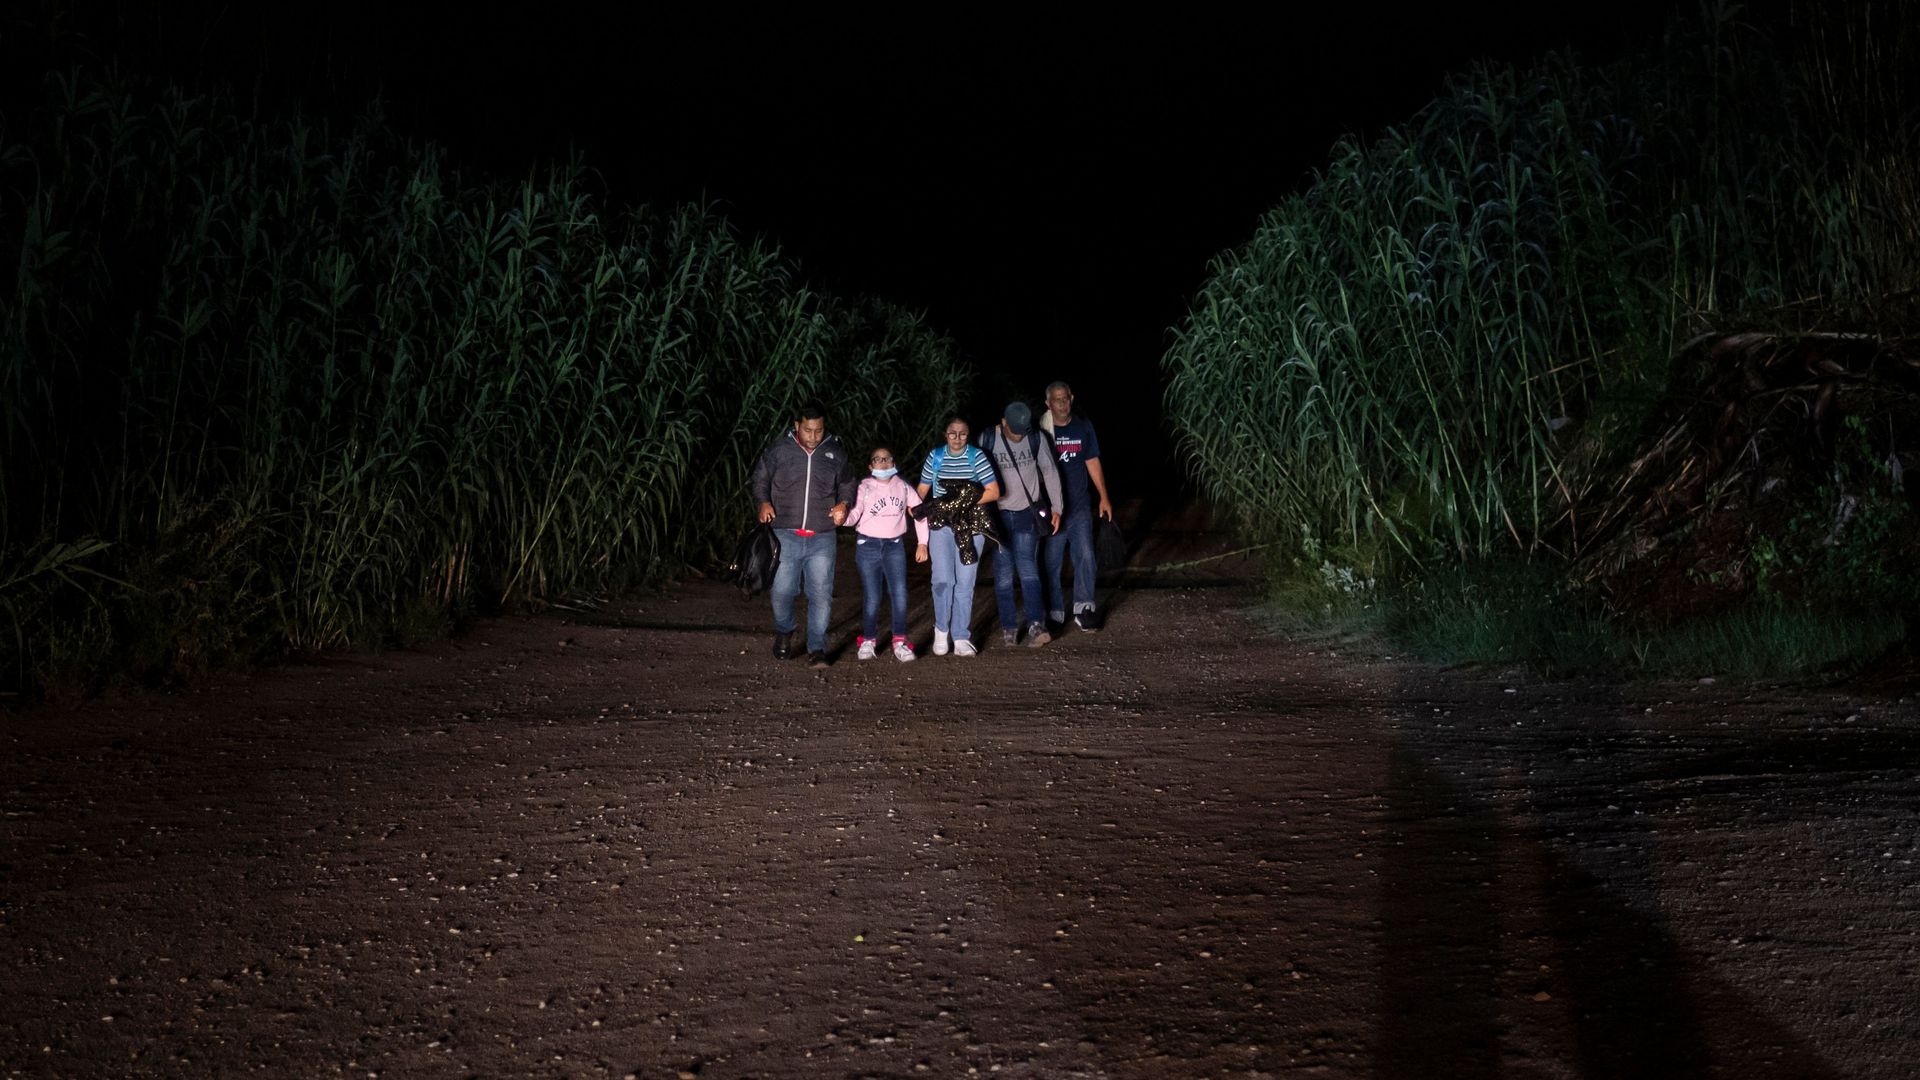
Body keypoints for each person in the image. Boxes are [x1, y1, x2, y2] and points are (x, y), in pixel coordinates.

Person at [749, 402, 856, 667]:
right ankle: (785, 630)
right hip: (785, 533)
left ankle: (817, 648)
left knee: (820, 594)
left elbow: (847, 483)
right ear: (797, 426)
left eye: (818, 431)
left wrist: (844, 503)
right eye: (808, 430)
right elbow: (760, 478)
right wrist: (763, 502)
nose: (813, 437)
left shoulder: (835, 451)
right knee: (782, 591)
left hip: (822, 535)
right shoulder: (779, 450)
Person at [979, 400, 1063, 647]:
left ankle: (1036, 625)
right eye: (1013, 431)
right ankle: (1009, 627)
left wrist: (1057, 507)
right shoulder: (987, 439)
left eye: (1021, 432)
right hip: (999, 516)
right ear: (1003, 422)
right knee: (1004, 573)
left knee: (1028, 569)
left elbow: (1049, 471)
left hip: (1028, 512)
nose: (1018, 437)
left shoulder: (1035, 437)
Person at [915, 417, 1000, 656]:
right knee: (942, 580)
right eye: (953, 433)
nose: (957, 438)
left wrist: (960, 503)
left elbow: (994, 491)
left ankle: (961, 635)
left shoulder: (977, 456)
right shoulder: (936, 456)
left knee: (965, 582)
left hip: (972, 526)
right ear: (945, 434)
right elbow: (921, 492)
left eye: (962, 434)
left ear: (968, 435)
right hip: (941, 526)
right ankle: (941, 630)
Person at [843, 445, 929, 661]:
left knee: (899, 594)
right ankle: (869, 640)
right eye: (877, 459)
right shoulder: (865, 486)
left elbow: (920, 514)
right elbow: (855, 513)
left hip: (894, 546)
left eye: (887, 459)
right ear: (870, 465)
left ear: (893, 463)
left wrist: (923, 543)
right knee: (872, 596)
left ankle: (899, 641)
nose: (882, 463)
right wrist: (842, 518)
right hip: (868, 545)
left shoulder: (903, 486)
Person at [1040, 381, 1112, 631]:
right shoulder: (1042, 430)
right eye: (1056, 400)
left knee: (1086, 556)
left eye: (1065, 398)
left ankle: (1084, 607)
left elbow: (1092, 461)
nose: (1062, 403)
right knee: (1051, 561)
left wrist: (1104, 496)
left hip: (1080, 506)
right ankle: (1055, 611)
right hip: (1053, 510)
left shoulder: (1083, 427)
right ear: (1048, 404)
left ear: (1072, 397)